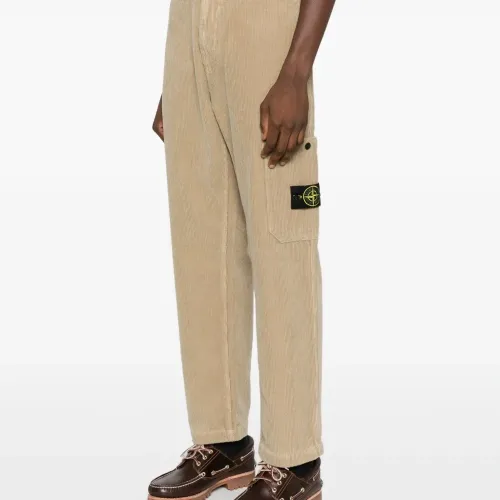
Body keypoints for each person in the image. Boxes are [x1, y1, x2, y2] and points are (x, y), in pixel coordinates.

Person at [149, 0, 335, 498]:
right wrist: (183, 75)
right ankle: (222, 441)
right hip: (189, 32)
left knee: (283, 248)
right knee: (201, 247)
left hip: (266, 34)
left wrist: (296, 69)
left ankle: (296, 462)